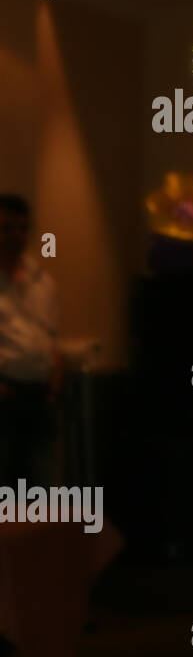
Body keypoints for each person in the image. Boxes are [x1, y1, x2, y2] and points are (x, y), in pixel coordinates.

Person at [0, 194, 63, 488]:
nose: (16, 236)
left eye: (22, 228)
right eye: (7, 227)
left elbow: (52, 338)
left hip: (41, 399)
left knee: (43, 488)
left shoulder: (42, 280)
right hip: (5, 397)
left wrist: (53, 387)